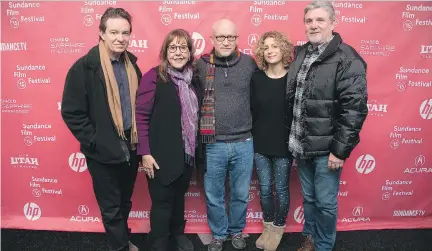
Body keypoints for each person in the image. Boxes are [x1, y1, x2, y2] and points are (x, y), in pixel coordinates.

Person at [286, 1, 368, 251]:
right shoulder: (300, 53)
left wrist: (339, 151)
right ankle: (310, 237)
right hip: (301, 143)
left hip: (327, 150)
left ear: (334, 22)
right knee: (309, 198)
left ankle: (323, 246)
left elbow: (354, 109)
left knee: (325, 202)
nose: (314, 25)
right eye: (309, 21)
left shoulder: (347, 57)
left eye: (320, 20)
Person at [61, 7, 142, 251]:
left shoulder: (132, 66)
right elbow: (72, 112)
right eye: (114, 32)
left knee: (124, 201)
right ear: (102, 33)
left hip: (130, 146)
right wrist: (95, 140)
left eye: (125, 33)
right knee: (111, 206)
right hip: (102, 150)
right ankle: (119, 247)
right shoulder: (84, 68)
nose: (120, 38)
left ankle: (122, 240)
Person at [195, 18, 258, 251]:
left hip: (244, 141)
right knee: (214, 195)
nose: (226, 41)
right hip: (213, 143)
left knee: (241, 194)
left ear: (237, 39)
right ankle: (219, 234)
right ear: (212, 39)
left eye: (230, 37)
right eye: (220, 37)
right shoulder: (200, 65)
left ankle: (236, 231)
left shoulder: (250, 64)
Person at [135, 29, 200, 251]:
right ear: (165, 52)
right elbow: (141, 118)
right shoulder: (153, 77)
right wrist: (145, 153)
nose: (178, 52)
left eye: (183, 48)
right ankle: (159, 243)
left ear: (190, 52)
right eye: (173, 48)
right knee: (162, 203)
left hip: (186, 154)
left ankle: (178, 234)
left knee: (179, 198)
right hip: (159, 156)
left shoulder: (193, 79)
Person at [250, 31, 294, 251]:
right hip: (260, 143)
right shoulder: (256, 78)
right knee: (265, 189)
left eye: (275, 46)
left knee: (281, 189)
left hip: (284, 145)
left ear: (283, 49)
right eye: (266, 47)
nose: (270, 51)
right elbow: (251, 110)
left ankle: (278, 229)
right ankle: (268, 227)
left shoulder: (293, 78)